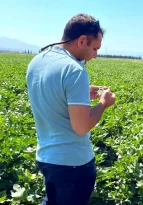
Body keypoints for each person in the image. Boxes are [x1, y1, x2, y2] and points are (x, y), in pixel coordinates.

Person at [26, 13, 116, 205]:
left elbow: (55, 96)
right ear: (82, 40)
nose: (95, 55)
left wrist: (82, 92)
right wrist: (103, 104)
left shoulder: (36, 62)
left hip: (46, 158)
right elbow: (82, 126)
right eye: (94, 48)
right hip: (73, 163)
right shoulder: (74, 70)